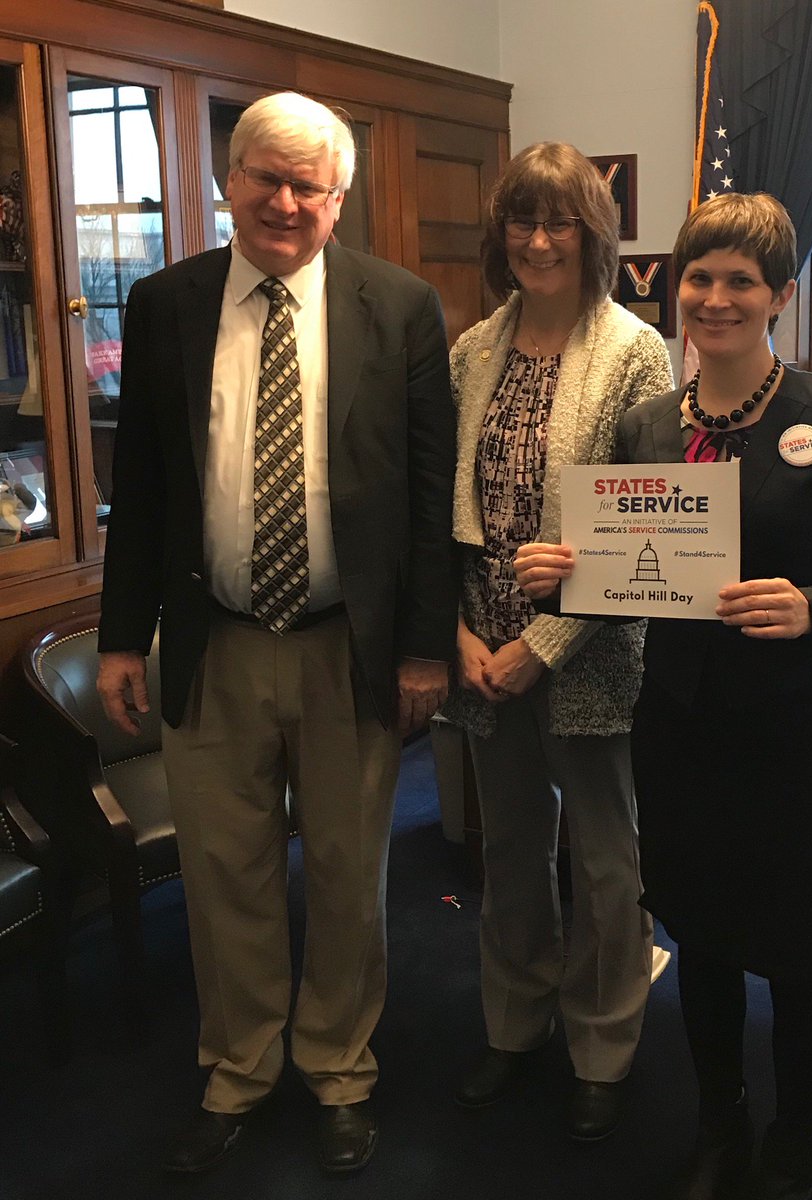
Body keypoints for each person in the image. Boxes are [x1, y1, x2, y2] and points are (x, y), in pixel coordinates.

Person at [514, 193, 812, 1198]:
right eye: (700, 277)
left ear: (779, 294)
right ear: (674, 287)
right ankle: (719, 1122)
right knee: (700, 941)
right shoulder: (651, 424)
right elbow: (622, 574)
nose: (716, 298)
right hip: (679, 731)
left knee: (794, 951)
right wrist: (556, 577)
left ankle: (794, 1139)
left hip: (797, 735)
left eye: (741, 280)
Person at [96, 91, 457, 1177]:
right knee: (224, 872)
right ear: (228, 180)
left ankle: (339, 1067)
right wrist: (123, 640)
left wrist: (425, 649)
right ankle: (240, 1065)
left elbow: (430, 494)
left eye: (310, 183)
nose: (286, 201)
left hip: (350, 644)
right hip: (214, 639)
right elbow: (145, 489)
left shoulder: (401, 307)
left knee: (349, 872)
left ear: (340, 197)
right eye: (267, 176)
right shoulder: (164, 304)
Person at [442, 142, 674, 1141]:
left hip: (587, 658)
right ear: (500, 234)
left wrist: (544, 642)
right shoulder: (470, 352)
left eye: (560, 221)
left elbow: (644, 534)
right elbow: (447, 513)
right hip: (482, 659)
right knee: (510, 854)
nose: (539, 241)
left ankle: (604, 1042)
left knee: (605, 863)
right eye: (522, 221)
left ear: (593, 234)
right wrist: (459, 632)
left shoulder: (634, 352)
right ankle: (514, 1025)